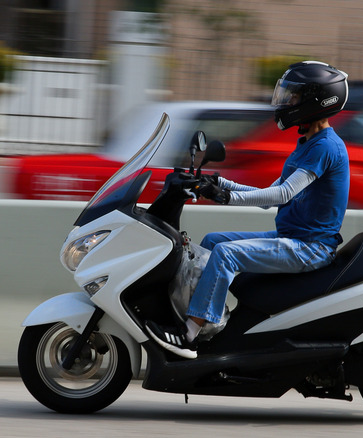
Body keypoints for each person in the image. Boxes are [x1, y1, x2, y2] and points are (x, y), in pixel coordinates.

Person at [147, 61, 350, 359]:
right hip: (292, 236)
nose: (287, 102)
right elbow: (269, 197)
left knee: (226, 254)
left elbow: (283, 194)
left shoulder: (326, 147)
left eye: (293, 96)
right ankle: (201, 313)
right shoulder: (307, 143)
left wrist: (224, 197)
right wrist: (218, 182)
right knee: (214, 241)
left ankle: (190, 332)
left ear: (315, 101)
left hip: (310, 247)